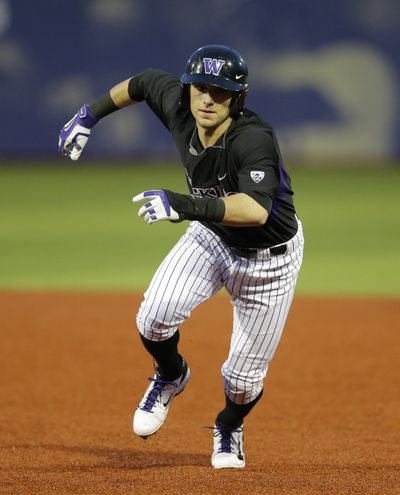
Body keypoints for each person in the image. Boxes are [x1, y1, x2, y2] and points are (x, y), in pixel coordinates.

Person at [58, 44, 304, 469]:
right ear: (189, 89)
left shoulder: (253, 137)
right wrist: (87, 114)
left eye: (221, 92)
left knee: (242, 383)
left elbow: (255, 209)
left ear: (239, 98)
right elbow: (141, 82)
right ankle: (171, 375)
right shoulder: (179, 105)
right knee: (153, 316)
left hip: (269, 259)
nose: (208, 99)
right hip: (211, 237)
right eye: (201, 89)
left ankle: (229, 426)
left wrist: (184, 205)